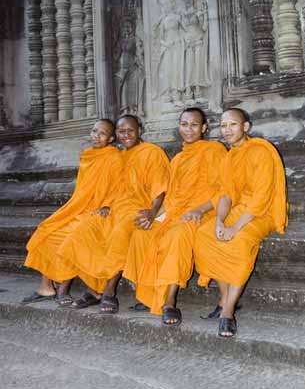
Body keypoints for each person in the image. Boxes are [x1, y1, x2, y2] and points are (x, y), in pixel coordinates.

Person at [123, 108, 227, 325]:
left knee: (177, 235)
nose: (188, 129)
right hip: (177, 213)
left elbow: (225, 189)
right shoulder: (178, 159)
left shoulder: (214, 150)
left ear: (204, 128)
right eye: (184, 124)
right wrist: (153, 216)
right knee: (142, 233)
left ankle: (169, 301)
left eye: (194, 125)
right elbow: (171, 198)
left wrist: (200, 209)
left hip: (205, 212)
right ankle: (151, 294)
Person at [193, 108, 288, 337]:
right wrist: (219, 221)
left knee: (239, 242)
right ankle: (226, 298)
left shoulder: (261, 151)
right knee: (204, 236)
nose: (227, 130)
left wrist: (235, 227)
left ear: (246, 127)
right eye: (224, 126)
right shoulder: (228, 157)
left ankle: (227, 312)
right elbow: (225, 195)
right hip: (238, 210)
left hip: (261, 213)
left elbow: (262, 198)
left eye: (233, 125)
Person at [67, 114, 170, 313]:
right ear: (116, 135)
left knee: (119, 235)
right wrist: (106, 206)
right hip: (115, 209)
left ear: (140, 130)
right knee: (83, 229)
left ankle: (109, 292)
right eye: (122, 131)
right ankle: (94, 289)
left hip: (139, 209)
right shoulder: (118, 156)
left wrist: (152, 211)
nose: (126, 135)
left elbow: (161, 188)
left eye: (131, 130)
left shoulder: (152, 152)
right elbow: (112, 188)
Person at [22, 119, 123, 305]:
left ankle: (64, 288)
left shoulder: (115, 157)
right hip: (80, 206)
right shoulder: (87, 155)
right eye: (94, 131)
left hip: (101, 211)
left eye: (102, 133)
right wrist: (74, 208)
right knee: (48, 231)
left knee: (71, 237)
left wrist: (107, 205)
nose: (96, 136)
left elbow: (117, 188)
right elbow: (83, 190)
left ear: (110, 138)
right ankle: (46, 286)